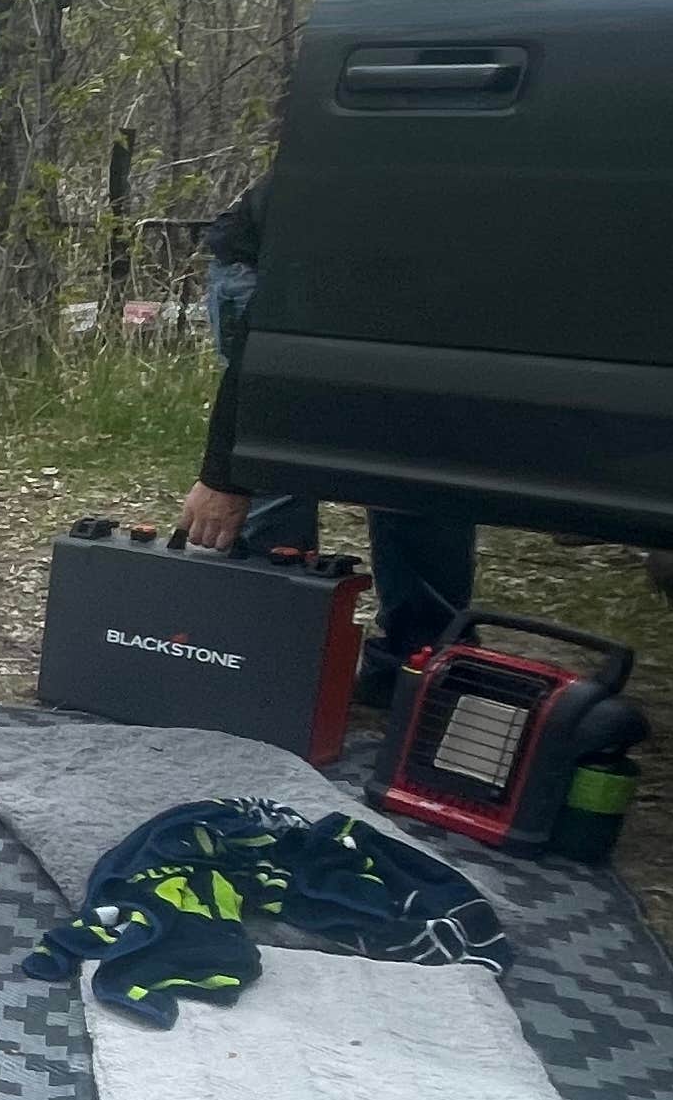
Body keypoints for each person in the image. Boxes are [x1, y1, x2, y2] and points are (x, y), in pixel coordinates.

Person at [177, 172, 475, 709]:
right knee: (287, 459)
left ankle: (421, 661)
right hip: (275, 265)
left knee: (418, 460)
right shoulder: (351, 190)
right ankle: (268, 660)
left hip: (416, 277)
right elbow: (271, 371)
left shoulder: (480, 207)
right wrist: (226, 475)